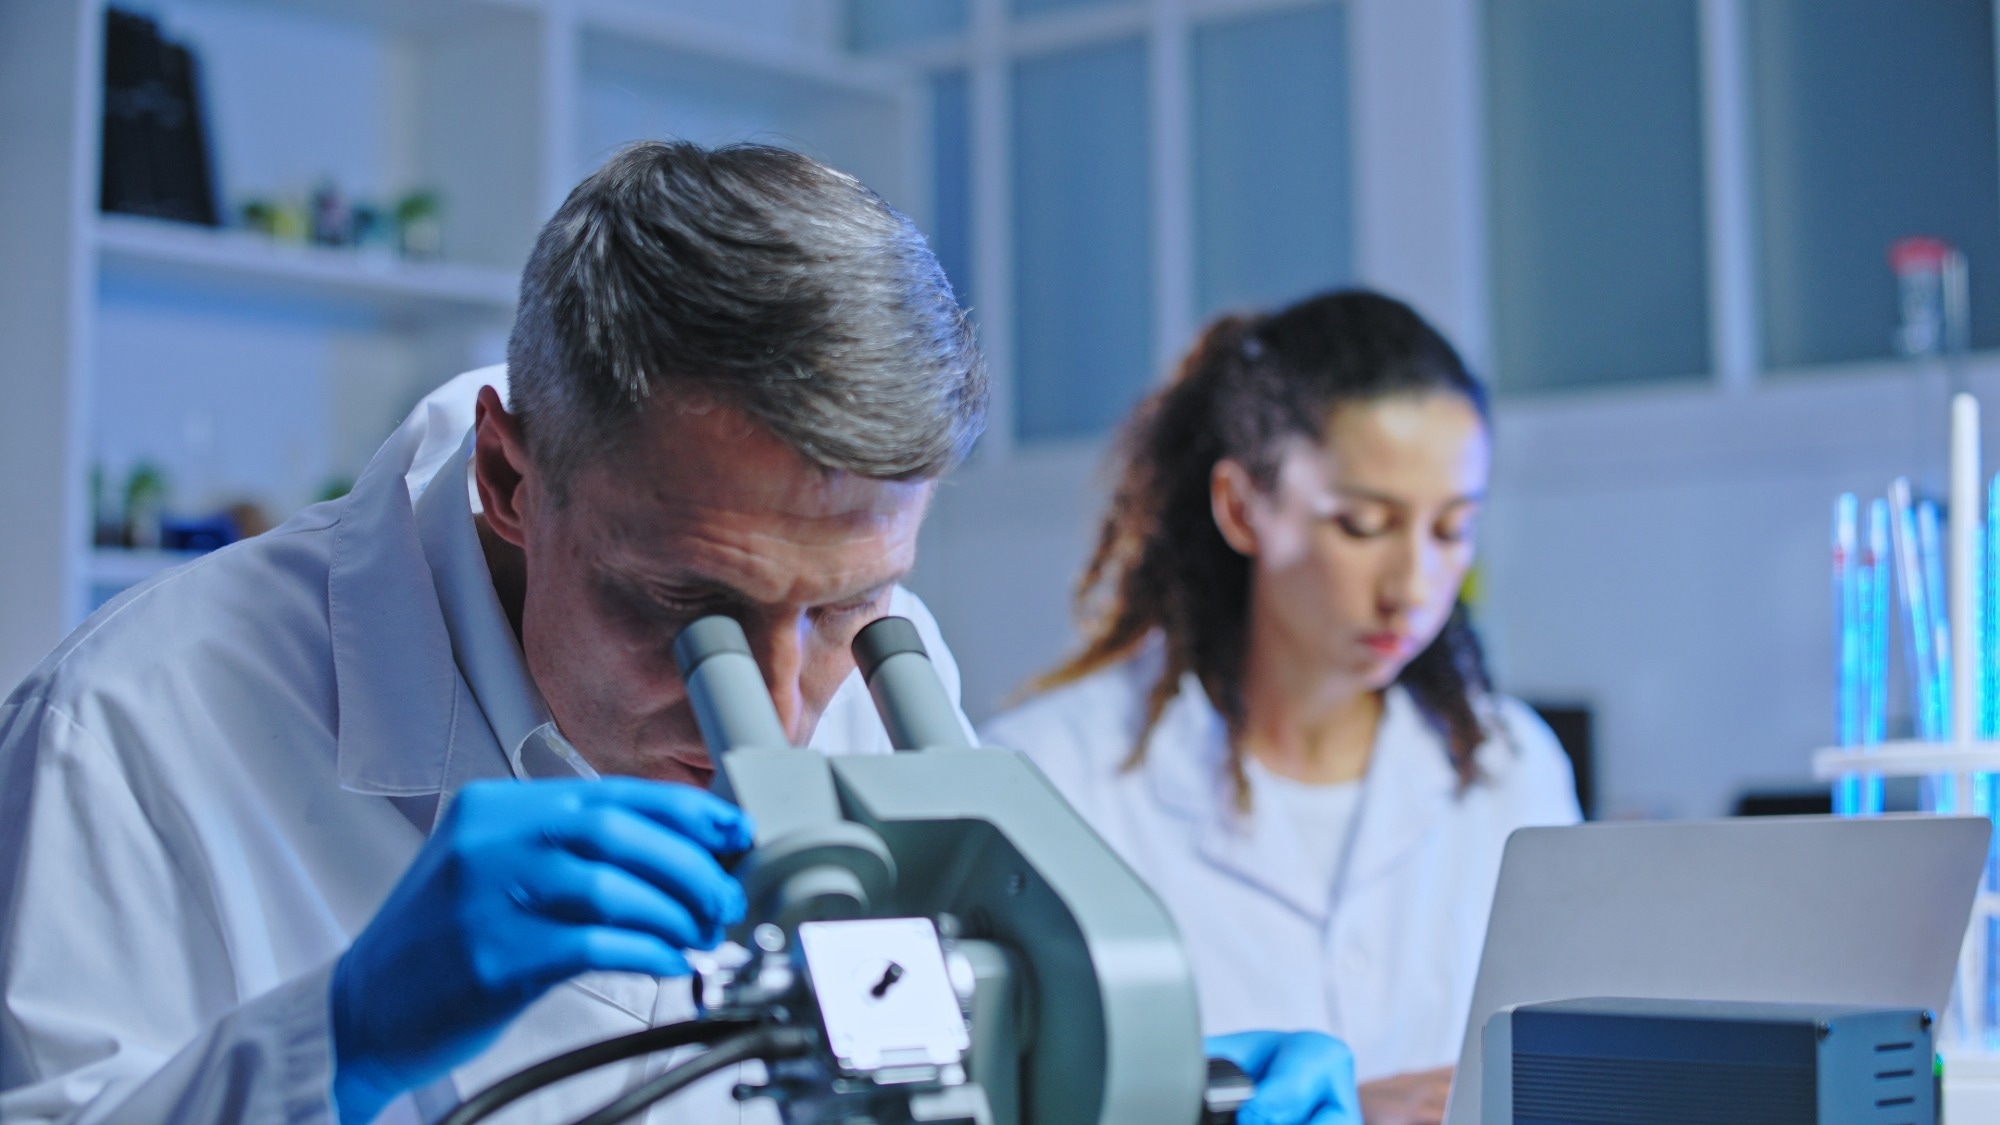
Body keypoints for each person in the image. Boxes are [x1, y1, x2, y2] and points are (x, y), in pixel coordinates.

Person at [0, 142, 1354, 1125]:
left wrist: (1141, 1083)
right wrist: (334, 1042)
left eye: (846, 608)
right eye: (685, 611)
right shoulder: (126, 733)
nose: (781, 704)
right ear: (512, 477)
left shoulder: (883, 673)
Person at [980, 291, 1582, 1125]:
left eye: (1451, 530)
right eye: (1363, 524)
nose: (1412, 587)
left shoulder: (1512, 768)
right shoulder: (1047, 779)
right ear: (1241, 507)